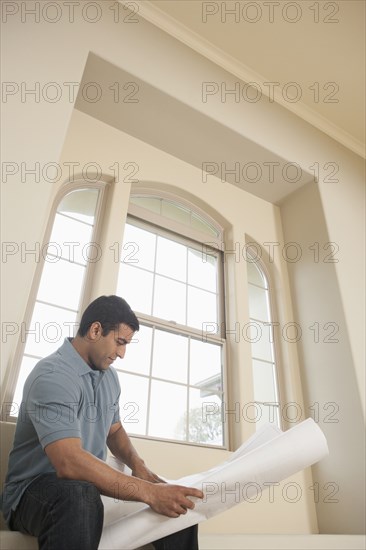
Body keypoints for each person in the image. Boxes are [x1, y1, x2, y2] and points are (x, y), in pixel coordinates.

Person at [1, 295, 203, 550]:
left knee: (178, 506)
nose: (122, 353)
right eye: (120, 342)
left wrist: (139, 467)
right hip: (32, 493)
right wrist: (149, 493)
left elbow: (114, 429)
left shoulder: (109, 377)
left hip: (87, 490)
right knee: (79, 494)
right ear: (95, 330)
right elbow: (68, 462)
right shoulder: (52, 376)